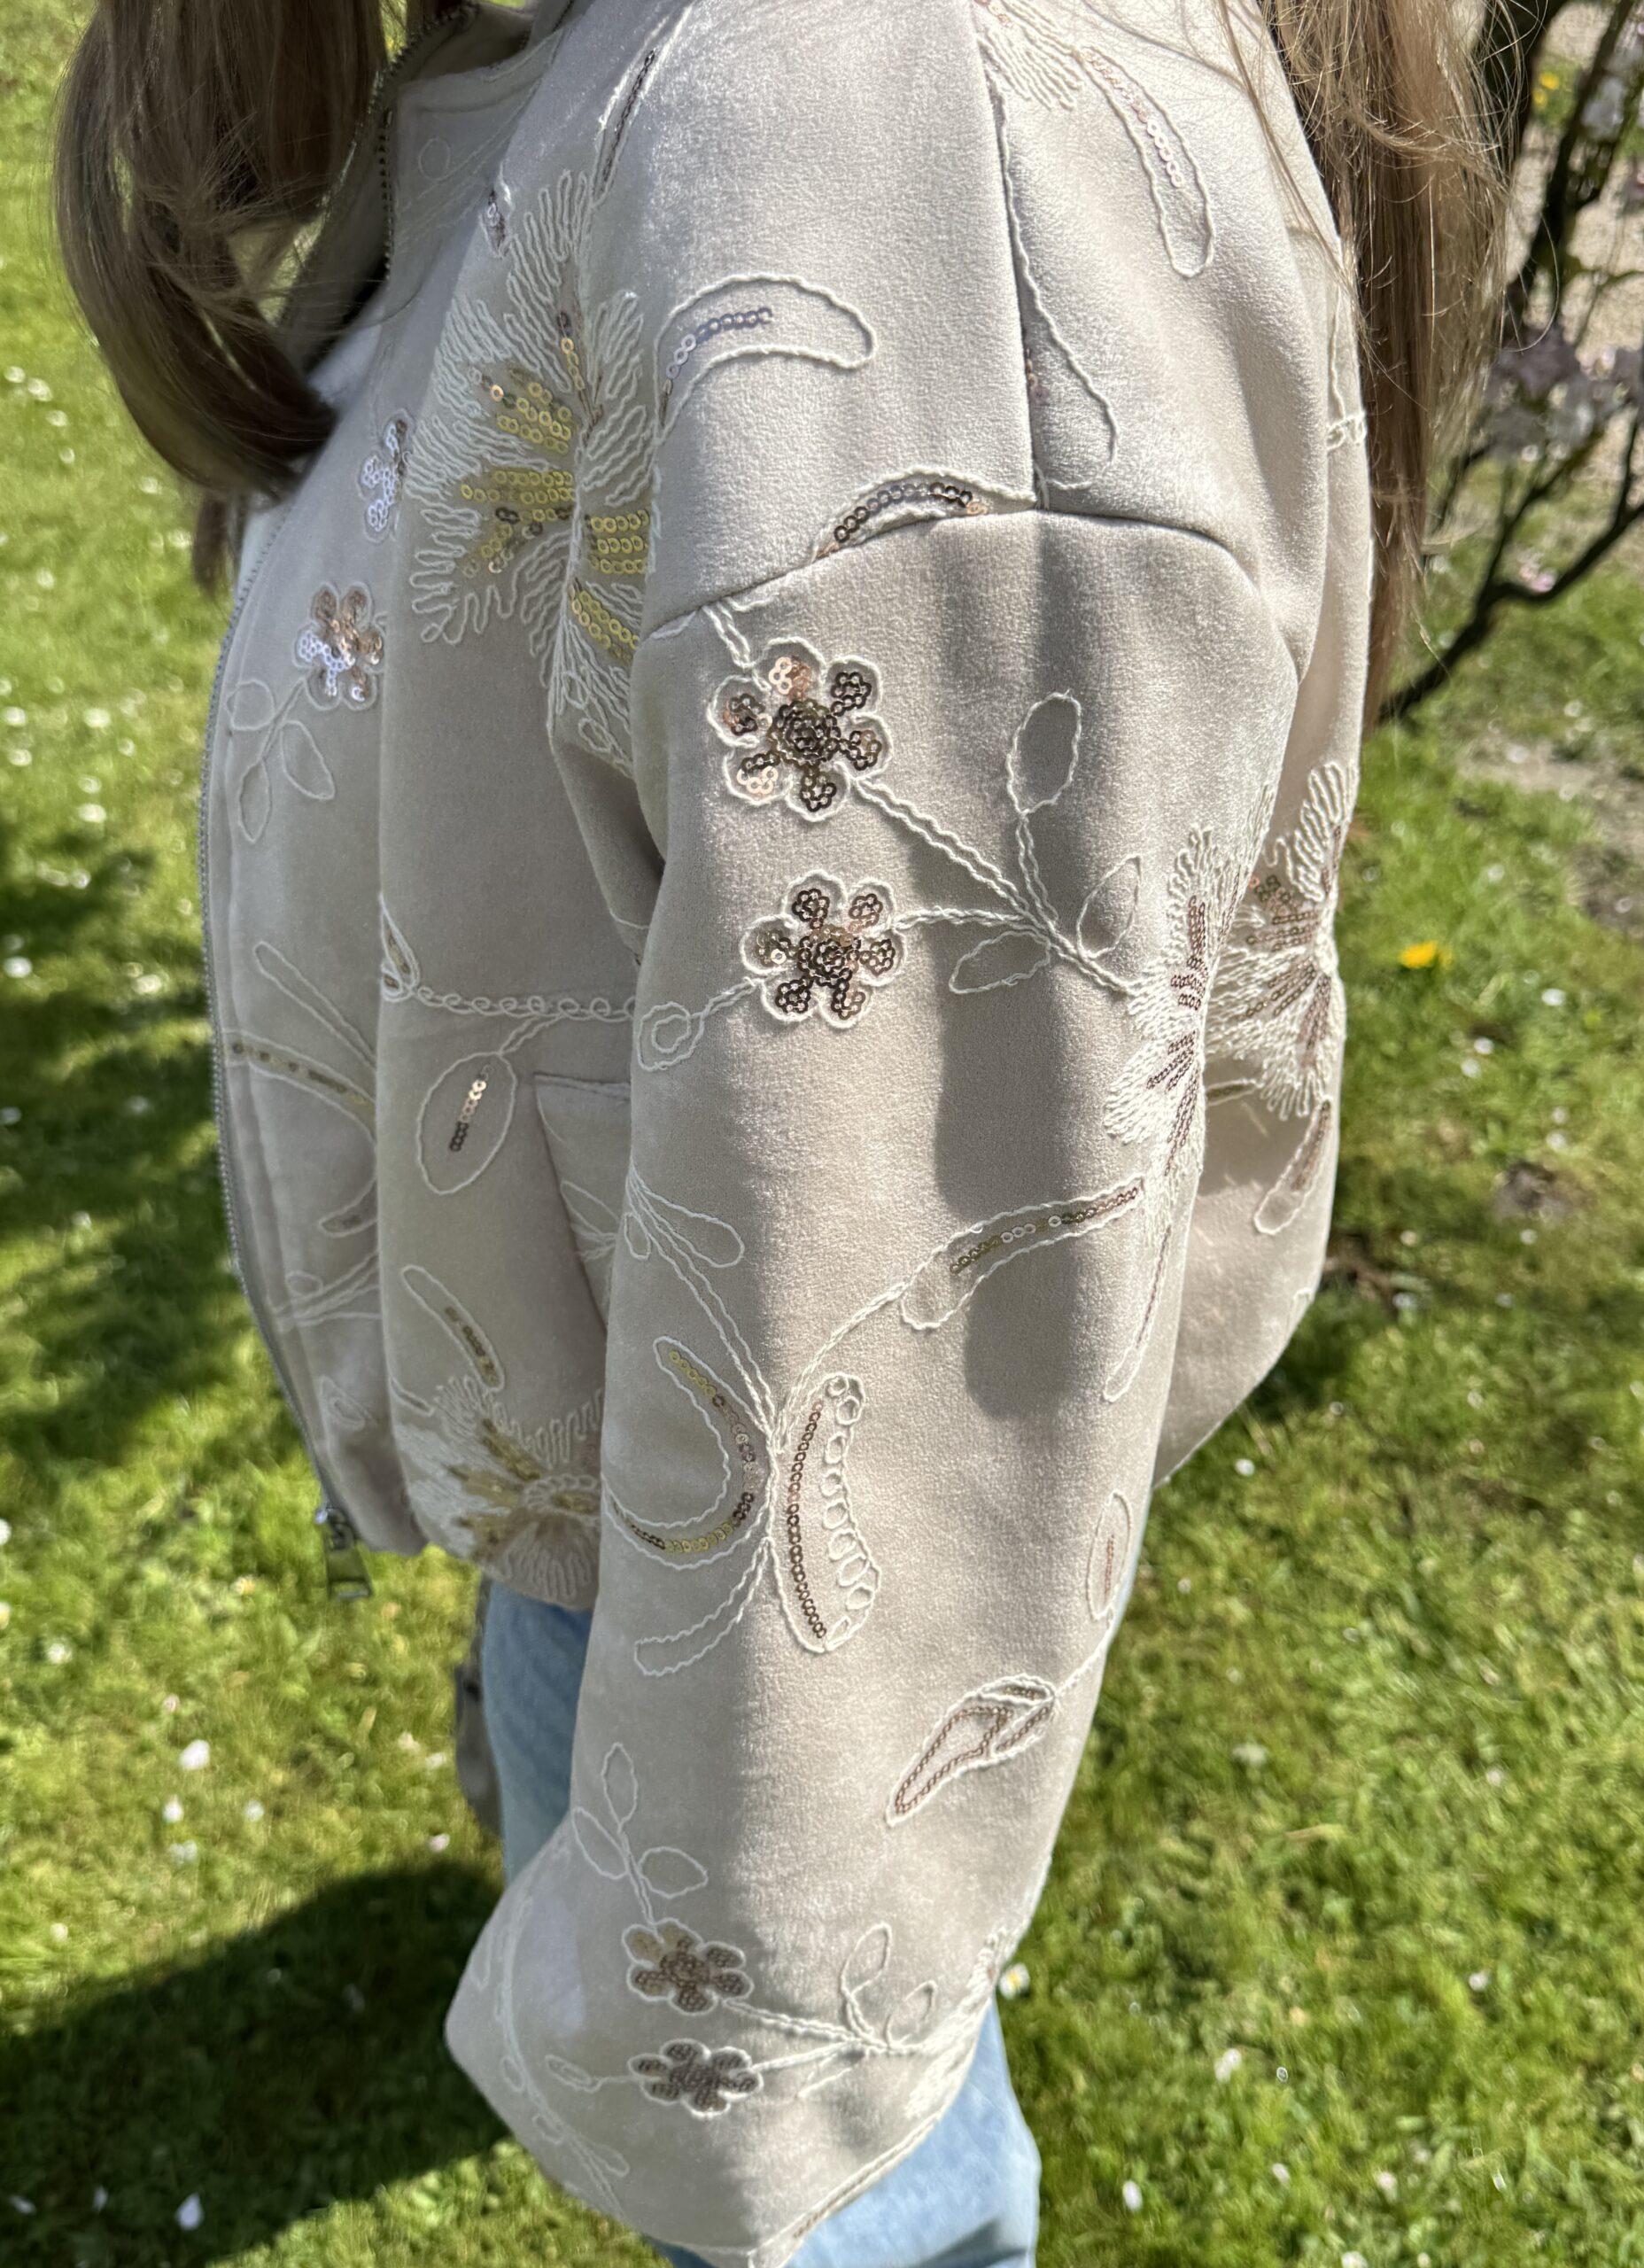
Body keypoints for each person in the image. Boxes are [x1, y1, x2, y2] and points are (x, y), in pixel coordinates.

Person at [54, 0, 1500, 2259]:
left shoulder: (885, 136)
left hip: (715, 1595)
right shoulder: (717, 82)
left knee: (844, 2188)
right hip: (631, 1501)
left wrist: (735, 2018)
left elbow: (891, 1382)